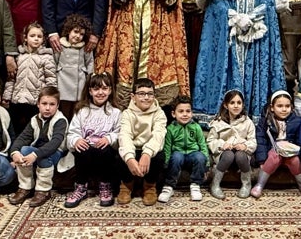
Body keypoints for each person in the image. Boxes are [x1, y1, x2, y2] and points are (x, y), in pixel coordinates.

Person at [193, 0, 288, 116]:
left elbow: (269, 2)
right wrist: (234, 17)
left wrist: (252, 17)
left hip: (256, 33)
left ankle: (253, 113)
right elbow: (215, 2)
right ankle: (222, 113)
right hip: (230, 34)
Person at [64, 72, 121, 208]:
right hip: (86, 153)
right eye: (96, 89)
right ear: (90, 91)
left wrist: (109, 138)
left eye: (104, 88)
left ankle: (105, 185)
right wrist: (76, 140)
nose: (100, 92)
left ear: (110, 90)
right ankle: (80, 187)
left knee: (105, 151)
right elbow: (72, 132)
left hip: (105, 153)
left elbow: (120, 133)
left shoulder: (116, 112)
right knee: (82, 150)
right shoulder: (82, 111)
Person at [7, 86, 68, 208]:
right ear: (38, 104)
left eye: (52, 104)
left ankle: (43, 190)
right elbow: (23, 138)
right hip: (38, 150)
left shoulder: (60, 120)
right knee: (23, 150)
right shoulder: (35, 119)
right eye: (44, 103)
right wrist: (14, 152)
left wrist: (35, 154)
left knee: (43, 157)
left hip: (57, 152)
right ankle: (25, 186)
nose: (47, 108)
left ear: (57, 106)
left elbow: (55, 143)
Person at [251, 90, 301, 200]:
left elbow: (300, 140)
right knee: (274, 155)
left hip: (289, 153)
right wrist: (261, 160)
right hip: (272, 152)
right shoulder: (266, 121)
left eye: (287, 106)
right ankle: (259, 184)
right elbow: (261, 140)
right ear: (272, 107)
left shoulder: (297, 121)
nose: (284, 109)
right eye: (280, 106)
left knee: (295, 160)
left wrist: (294, 149)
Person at [117, 78, 168, 206]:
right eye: (141, 94)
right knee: (120, 154)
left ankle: (149, 186)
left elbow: (158, 135)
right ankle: (126, 185)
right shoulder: (127, 114)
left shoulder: (159, 113)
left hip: (150, 151)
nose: (146, 97)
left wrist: (147, 153)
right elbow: (124, 135)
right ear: (133, 97)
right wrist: (129, 158)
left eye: (150, 94)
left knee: (160, 155)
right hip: (133, 149)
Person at [2, 22, 57, 131]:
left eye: (39, 36)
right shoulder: (19, 56)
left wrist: (50, 99)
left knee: (32, 129)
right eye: (32, 36)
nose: (36, 39)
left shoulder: (47, 57)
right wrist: (7, 96)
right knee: (14, 127)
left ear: (43, 39)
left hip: (34, 101)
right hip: (16, 100)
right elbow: (11, 79)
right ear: (25, 38)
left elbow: (51, 80)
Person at [206, 90, 256, 199]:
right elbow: (210, 140)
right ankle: (215, 184)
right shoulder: (218, 122)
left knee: (240, 155)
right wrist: (222, 145)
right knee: (229, 155)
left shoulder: (248, 122)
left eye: (239, 103)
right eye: (232, 103)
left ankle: (246, 184)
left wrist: (245, 146)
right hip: (224, 158)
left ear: (243, 105)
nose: (236, 106)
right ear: (226, 105)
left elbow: (253, 141)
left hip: (242, 158)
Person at [158, 96, 209, 203]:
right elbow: (167, 147)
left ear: (192, 113)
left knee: (200, 156)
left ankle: (195, 185)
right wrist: (166, 163)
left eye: (188, 111)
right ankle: (169, 186)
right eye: (181, 111)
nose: (185, 114)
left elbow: (203, 145)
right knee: (176, 156)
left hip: (192, 155)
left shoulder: (196, 127)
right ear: (173, 114)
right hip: (178, 155)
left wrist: (207, 164)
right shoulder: (171, 129)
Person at [55, 14, 95, 120]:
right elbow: (54, 62)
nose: (78, 36)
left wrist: (89, 78)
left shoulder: (84, 48)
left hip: (79, 84)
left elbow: (90, 62)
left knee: (76, 113)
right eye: (75, 32)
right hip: (63, 83)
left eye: (81, 34)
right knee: (63, 112)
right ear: (69, 31)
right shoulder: (60, 45)